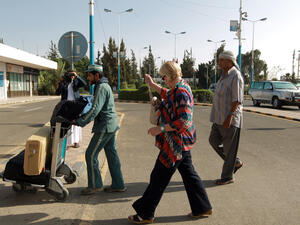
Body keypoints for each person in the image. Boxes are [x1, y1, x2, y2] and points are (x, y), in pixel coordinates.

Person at [128, 61, 212, 224]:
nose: (163, 79)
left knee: (159, 176)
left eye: (164, 76)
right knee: (189, 175)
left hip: (176, 142)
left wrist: (161, 129)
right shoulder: (180, 87)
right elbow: (167, 93)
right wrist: (152, 85)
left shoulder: (181, 92)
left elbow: (185, 121)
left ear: (171, 75)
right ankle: (202, 207)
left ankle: (145, 214)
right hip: (181, 141)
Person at [74, 64, 126, 195]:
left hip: (105, 126)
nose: (88, 77)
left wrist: (79, 122)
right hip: (110, 125)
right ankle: (118, 184)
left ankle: (95, 185)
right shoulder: (103, 86)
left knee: (90, 154)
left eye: (89, 75)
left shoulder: (101, 87)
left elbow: (95, 109)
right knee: (111, 154)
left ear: (97, 75)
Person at [209, 50, 244, 185]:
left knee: (230, 149)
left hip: (229, 119)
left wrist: (229, 116)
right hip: (218, 118)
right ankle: (234, 161)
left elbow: (237, 100)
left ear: (229, 61)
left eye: (221, 60)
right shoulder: (223, 76)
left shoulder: (236, 76)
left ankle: (227, 176)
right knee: (213, 140)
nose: (219, 63)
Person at [56, 71, 86, 148]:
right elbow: (57, 93)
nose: (72, 76)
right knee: (66, 123)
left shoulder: (76, 81)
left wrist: (77, 76)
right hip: (66, 105)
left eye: (73, 74)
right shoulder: (64, 83)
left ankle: (76, 141)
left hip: (75, 105)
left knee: (75, 123)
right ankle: (66, 143)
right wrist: (61, 83)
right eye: (70, 74)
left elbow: (84, 84)